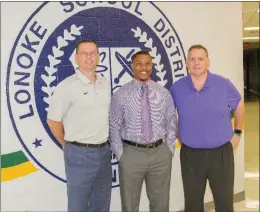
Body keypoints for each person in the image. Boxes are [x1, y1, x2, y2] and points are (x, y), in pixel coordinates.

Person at [170, 44, 244, 212]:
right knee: (192, 204)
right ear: (186, 63)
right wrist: (177, 132)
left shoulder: (223, 84)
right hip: (190, 155)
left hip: (221, 154)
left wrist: (237, 132)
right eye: (192, 59)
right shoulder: (177, 87)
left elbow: (239, 106)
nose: (196, 63)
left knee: (224, 203)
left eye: (200, 59)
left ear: (208, 62)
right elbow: (169, 114)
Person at [47, 39, 112, 212]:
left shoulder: (104, 83)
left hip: (104, 152)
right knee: (78, 204)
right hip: (79, 153)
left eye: (93, 53)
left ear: (98, 57)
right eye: (84, 53)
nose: (89, 57)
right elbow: (53, 120)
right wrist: (65, 144)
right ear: (76, 58)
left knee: (102, 201)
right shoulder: (67, 86)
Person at [109, 50, 177, 212]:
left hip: (160, 154)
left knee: (161, 204)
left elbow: (171, 122)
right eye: (139, 64)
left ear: (152, 66)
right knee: (130, 205)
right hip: (132, 154)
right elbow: (114, 126)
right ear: (133, 67)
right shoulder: (121, 94)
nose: (143, 68)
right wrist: (122, 156)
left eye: (147, 64)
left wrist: (169, 150)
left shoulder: (163, 93)